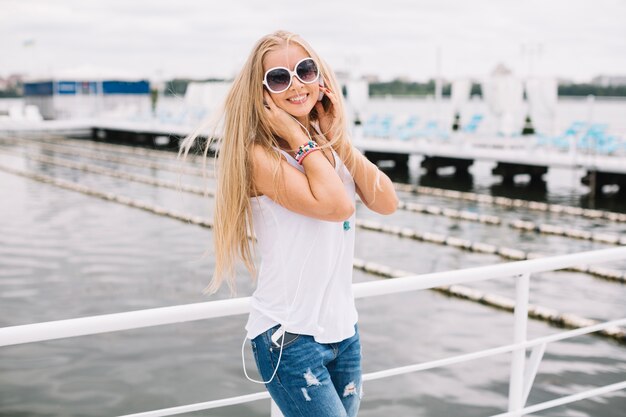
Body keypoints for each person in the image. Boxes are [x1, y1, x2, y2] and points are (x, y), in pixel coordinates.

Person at [181, 30, 398, 417]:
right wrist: (299, 137)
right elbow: (335, 206)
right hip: (289, 336)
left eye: (305, 70)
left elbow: (387, 202)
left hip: (344, 331)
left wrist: (337, 139)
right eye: (279, 78)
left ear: (322, 78)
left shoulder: (325, 146)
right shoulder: (258, 156)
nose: (296, 85)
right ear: (262, 92)